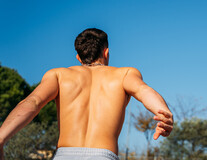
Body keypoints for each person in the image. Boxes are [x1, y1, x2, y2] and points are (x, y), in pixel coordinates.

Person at [0, 28, 173, 160]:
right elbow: (144, 91)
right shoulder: (124, 74)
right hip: (103, 155)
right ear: (106, 52)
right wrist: (163, 113)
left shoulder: (58, 75)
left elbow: (33, 102)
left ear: (78, 57)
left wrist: (1, 137)